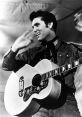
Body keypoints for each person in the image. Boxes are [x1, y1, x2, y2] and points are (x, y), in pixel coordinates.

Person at [2, 10, 82, 117]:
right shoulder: (33, 53)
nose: (34, 30)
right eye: (33, 27)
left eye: (37, 25)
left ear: (49, 24)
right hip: (39, 106)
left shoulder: (72, 49)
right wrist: (15, 48)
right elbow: (7, 66)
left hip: (67, 103)